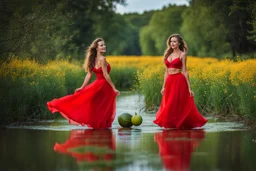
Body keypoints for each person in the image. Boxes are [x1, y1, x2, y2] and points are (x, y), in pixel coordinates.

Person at [47, 38, 120, 129]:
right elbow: (105, 74)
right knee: (103, 107)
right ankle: (101, 128)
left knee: (96, 105)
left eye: (104, 45)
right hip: (104, 86)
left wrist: (82, 87)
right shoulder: (103, 59)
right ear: (96, 48)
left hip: (97, 85)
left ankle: (98, 127)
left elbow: (89, 75)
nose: (104, 46)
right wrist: (114, 88)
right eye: (101, 45)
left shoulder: (92, 59)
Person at [153, 34, 207, 129]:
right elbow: (166, 72)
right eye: (171, 41)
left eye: (174, 41)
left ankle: (179, 124)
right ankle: (171, 124)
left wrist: (190, 88)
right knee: (169, 104)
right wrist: (163, 86)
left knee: (175, 103)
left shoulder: (182, 54)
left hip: (179, 80)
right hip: (169, 81)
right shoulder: (167, 54)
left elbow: (185, 71)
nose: (172, 43)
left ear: (179, 43)